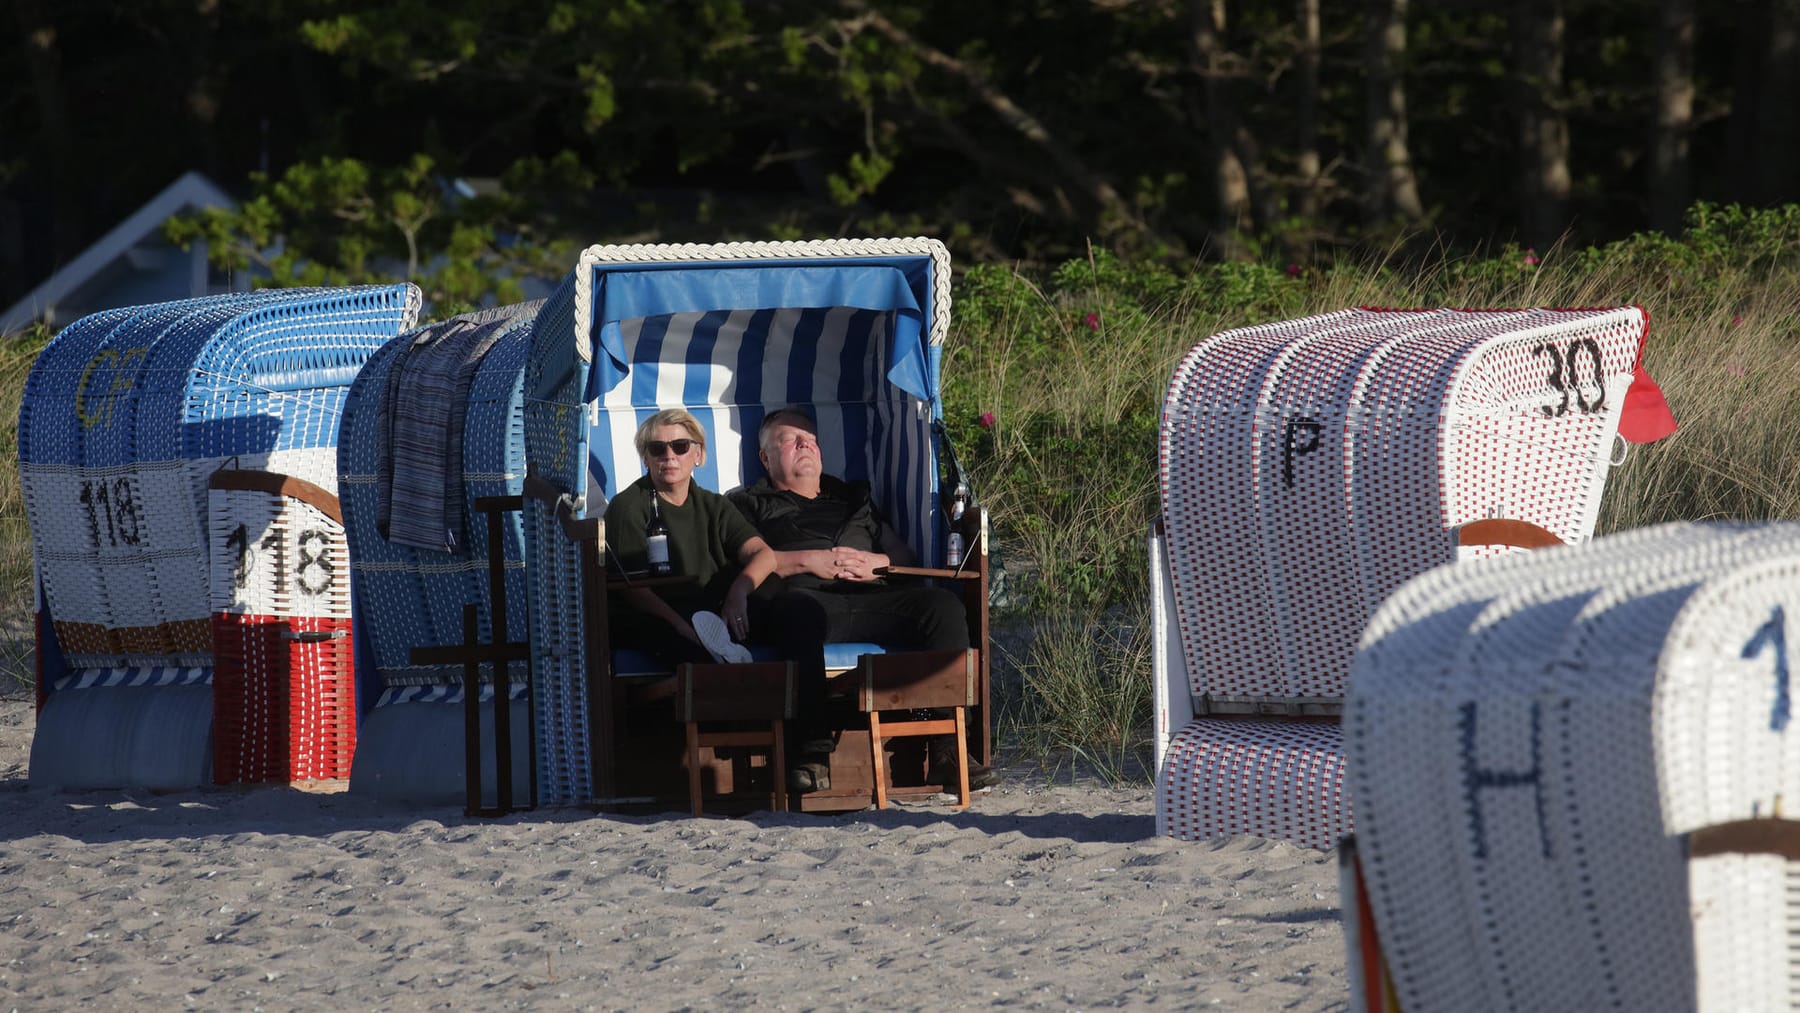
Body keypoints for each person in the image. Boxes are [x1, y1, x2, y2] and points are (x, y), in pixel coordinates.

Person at [730, 406, 1001, 792]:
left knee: (942, 608)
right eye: (790, 441)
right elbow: (748, 559)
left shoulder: (853, 497)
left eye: (811, 440)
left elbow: (903, 556)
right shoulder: (748, 504)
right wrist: (809, 561)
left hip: (872, 595)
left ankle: (947, 751)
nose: (805, 446)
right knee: (796, 614)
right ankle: (812, 754)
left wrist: (880, 563)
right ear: (766, 458)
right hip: (806, 598)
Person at [604, 409, 777, 668]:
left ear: (698, 454)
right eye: (657, 448)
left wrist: (738, 593)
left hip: (713, 611)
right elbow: (635, 592)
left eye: (680, 446)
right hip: (657, 617)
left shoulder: (714, 505)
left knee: (801, 613)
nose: (669, 455)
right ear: (646, 458)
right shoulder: (627, 507)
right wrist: (686, 629)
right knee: (687, 651)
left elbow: (764, 555)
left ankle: (805, 706)